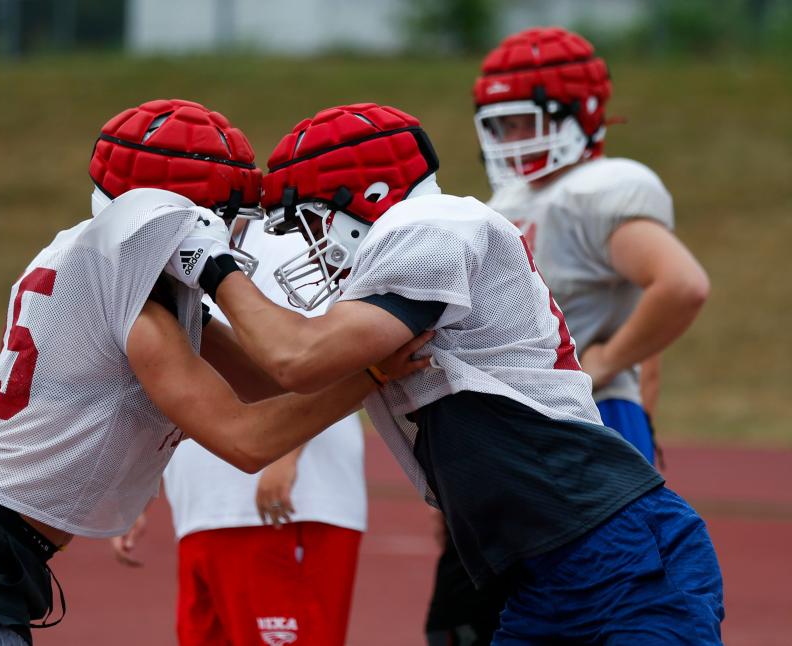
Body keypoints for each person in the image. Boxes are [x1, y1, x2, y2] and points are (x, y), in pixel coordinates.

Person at [163, 101, 724, 644]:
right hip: (544, 573)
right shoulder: (404, 263)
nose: (312, 248)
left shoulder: (433, 224)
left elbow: (296, 360)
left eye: (311, 222)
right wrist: (179, 310)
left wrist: (209, 265)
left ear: (372, 196)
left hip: (617, 546)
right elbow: (269, 380)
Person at [0, 99, 428, 646]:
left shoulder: (114, 280)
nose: (229, 236)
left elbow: (275, 377)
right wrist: (372, 375)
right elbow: (247, 440)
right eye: (218, 217)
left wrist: (371, 348)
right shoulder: (138, 311)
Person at [424, 26, 714, 645]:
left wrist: (606, 361)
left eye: (526, 121)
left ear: (581, 113)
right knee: (490, 612)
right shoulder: (512, 197)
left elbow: (679, 285)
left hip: (586, 418)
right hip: (519, 432)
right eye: (500, 125)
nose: (512, 140)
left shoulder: (598, 190)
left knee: (601, 605)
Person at [112, 230, 368, 646]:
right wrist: (142, 481)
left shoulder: (286, 244)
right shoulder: (168, 254)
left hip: (286, 507)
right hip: (205, 506)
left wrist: (285, 455)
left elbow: (319, 356)